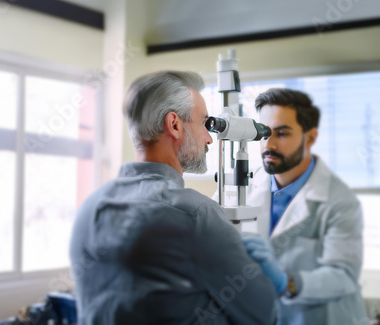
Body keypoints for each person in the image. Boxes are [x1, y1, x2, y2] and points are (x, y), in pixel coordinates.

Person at [70, 71, 277, 325]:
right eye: (203, 123)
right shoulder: (196, 214)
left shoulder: (89, 208)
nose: (209, 138)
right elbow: (263, 315)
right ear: (175, 125)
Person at [241, 88, 367, 324]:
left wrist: (284, 281)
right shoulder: (239, 188)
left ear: (310, 137)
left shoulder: (339, 200)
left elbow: (343, 277)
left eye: (282, 134)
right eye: (264, 133)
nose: (269, 144)